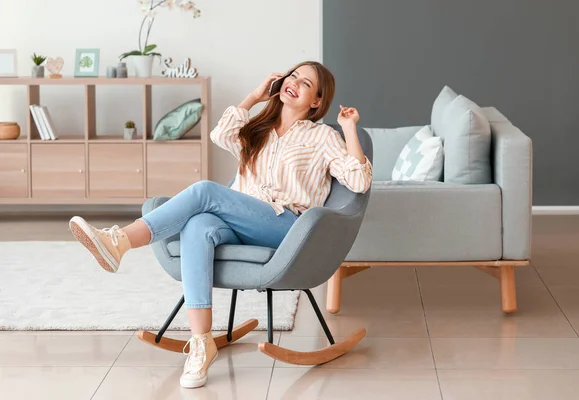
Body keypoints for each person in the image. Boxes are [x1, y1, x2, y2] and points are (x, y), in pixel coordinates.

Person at [68, 60, 373, 389]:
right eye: (293, 76)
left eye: (306, 82)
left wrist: (350, 127)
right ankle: (202, 343)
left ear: (316, 100)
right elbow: (220, 134)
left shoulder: (323, 136)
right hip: (242, 222)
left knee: (203, 192)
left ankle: (121, 241)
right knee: (197, 225)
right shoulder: (260, 128)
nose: (294, 82)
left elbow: (358, 181)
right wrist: (255, 96)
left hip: (286, 228)